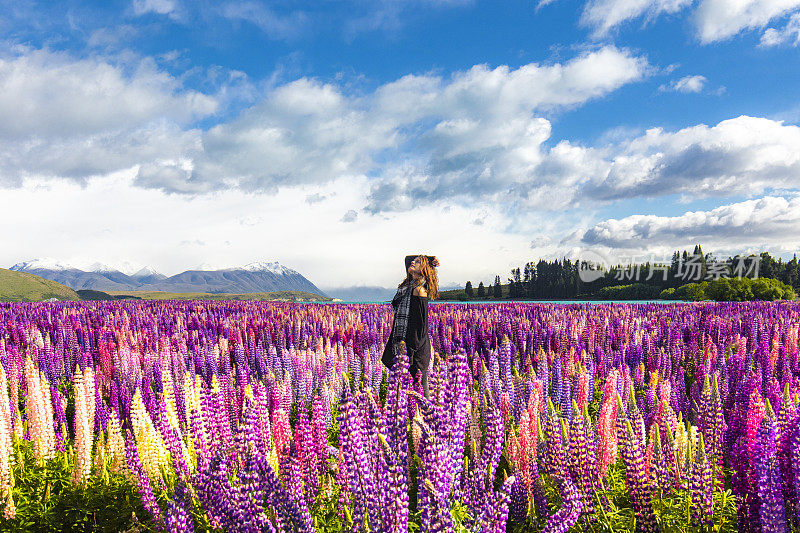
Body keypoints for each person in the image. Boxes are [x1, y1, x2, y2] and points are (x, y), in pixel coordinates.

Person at [381, 254, 440, 399]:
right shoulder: (408, 286)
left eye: (418, 262)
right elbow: (408, 258)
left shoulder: (420, 290)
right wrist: (429, 257)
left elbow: (420, 327)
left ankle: (427, 418)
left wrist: (410, 353)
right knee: (405, 388)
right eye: (414, 261)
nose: (413, 262)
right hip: (405, 344)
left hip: (416, 349)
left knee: (420, 388)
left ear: (424, 269)